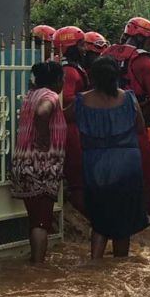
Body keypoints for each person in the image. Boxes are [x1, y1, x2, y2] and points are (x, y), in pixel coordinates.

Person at [65, 56, 149, 259]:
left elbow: (61, 117)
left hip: (96, 167)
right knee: (124, 221)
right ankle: (120, 263)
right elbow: (141, 128)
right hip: (127, 166)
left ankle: (95, 264)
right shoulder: (129, 99)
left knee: (99, 218)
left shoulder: (82, 101)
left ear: (93, 77)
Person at [102, 17, 150, 216]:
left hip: (103, 127)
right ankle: (147, 221)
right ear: (139, 38)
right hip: (133, 127)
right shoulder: (142, 60)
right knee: (144, 178)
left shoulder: (105, 54)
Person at [11, 62, 66, 263]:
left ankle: (35, 263)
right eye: (62, 80)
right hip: (41, 165)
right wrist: (43, 137)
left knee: (35, 220)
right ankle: (39, 268)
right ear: (56, 81)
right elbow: (43, 113)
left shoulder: (30, 96)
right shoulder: (50, 96)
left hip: (23, 163)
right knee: (42, 221)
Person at [52, 26, 89, 217]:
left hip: (72, 125)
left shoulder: (65, 67)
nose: (85, 49)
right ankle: (79, 217)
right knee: (77, 178)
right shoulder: (70, 71)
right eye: (81, 45)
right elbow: (66, 97)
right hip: (71, 127)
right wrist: (91, 99)